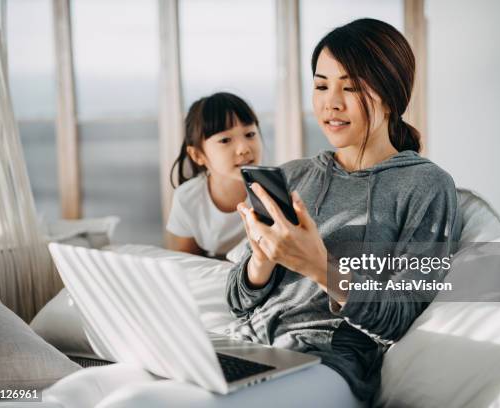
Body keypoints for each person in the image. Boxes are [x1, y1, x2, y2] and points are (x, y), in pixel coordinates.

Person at [227, 18, 462, 404]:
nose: (330, 103)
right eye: (321, 85)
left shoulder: (426, 186)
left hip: (329, 366)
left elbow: (399, 317)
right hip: (247, 348)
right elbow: (237, 301)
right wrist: (263, 258)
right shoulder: (292, 176)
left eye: (350, 87)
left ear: (389, 93)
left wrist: (318, 267)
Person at [167, 92, 263, 258]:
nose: (244, 148)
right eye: (225, 140)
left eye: (250, 134)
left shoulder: (276, 188)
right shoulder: (187, 198)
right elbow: (184, 262)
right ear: (198, 155)